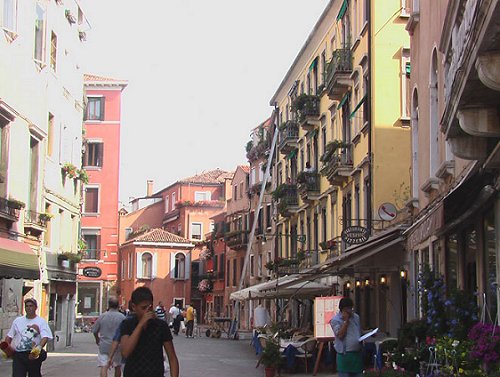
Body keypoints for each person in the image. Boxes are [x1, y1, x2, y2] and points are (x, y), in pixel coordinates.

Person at [120, 287, 179, 377]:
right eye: (143, 308)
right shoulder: (127, 324)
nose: (147, 311)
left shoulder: (161, 326)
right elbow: (125, 352)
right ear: (133, 307)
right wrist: (140, 325)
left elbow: (172, 357)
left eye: (150, 307)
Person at [4, 297, 53, 377]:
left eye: (31, 306)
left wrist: (37, 350)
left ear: (35, 307)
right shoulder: (18, 321)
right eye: (27, 306)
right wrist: (6, 348)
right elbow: (9, 336)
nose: (28, 308)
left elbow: (45, 337)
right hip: (19, 355)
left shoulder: (41, 321)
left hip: (32, 354)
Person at [330, 297, 363, 377]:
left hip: (357, 353)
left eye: (351, 308)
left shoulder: (356, 317)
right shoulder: (335, 320)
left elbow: (358, 331)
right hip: (344, 354)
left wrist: (369, 333)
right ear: (343, 309)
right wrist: (346, 321)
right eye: (348, 308)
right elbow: (340, 335)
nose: (350, 310)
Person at [93, 297, 125, 377]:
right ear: (118, 305)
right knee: (117, 366)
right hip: (117, 346)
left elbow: (94, 330)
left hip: (104, 345)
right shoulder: (122, 317)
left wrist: (97, 339)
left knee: (104, 366)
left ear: (109, 305)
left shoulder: (102, 316)